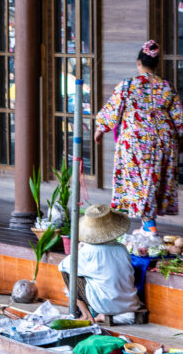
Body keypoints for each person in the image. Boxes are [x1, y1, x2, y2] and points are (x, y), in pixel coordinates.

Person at [94, 39, 183, 231]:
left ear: (138, 63)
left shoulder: (128, 85)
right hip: (163, 140)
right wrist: (180, 139)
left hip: (136, 139)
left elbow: (112, 108)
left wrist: (100, 128)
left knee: (137, 180)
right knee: (153, 180)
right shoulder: (167, 87)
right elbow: (179, 117)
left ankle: (148, 225)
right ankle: (148, 224)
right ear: (157, 64)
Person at [58, 204, 143, 323]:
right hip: (129, 302)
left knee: (67, 273)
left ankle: (86, 314)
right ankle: (97, 315)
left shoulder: (88, 251)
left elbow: (63, 265)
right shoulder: (121, 248)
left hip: (104, 304)